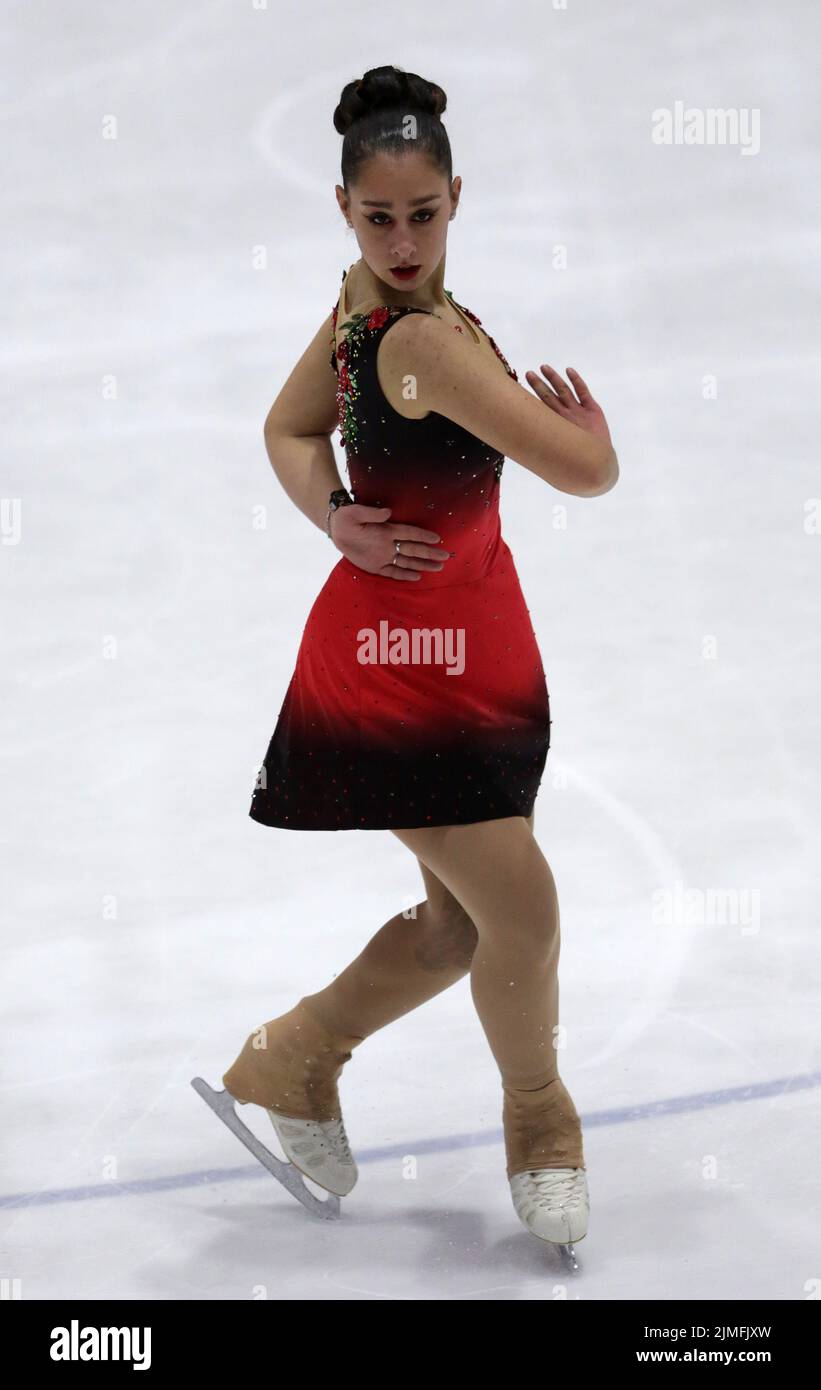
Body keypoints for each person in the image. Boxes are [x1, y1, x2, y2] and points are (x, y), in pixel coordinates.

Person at [220, 65, 618, 1248]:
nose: (399, 238)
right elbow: (582, 472)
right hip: (399, 674)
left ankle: (292, 1055)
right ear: (346, 210)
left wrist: (330, 507)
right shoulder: (421, 346)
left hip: (470, 656)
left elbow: (290, 427)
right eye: (378, 217)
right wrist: (587, 434)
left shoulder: (359, 306)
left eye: (421, 214)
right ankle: (539, 1121)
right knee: (526, 915)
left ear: (455, 199)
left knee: (456, 926)